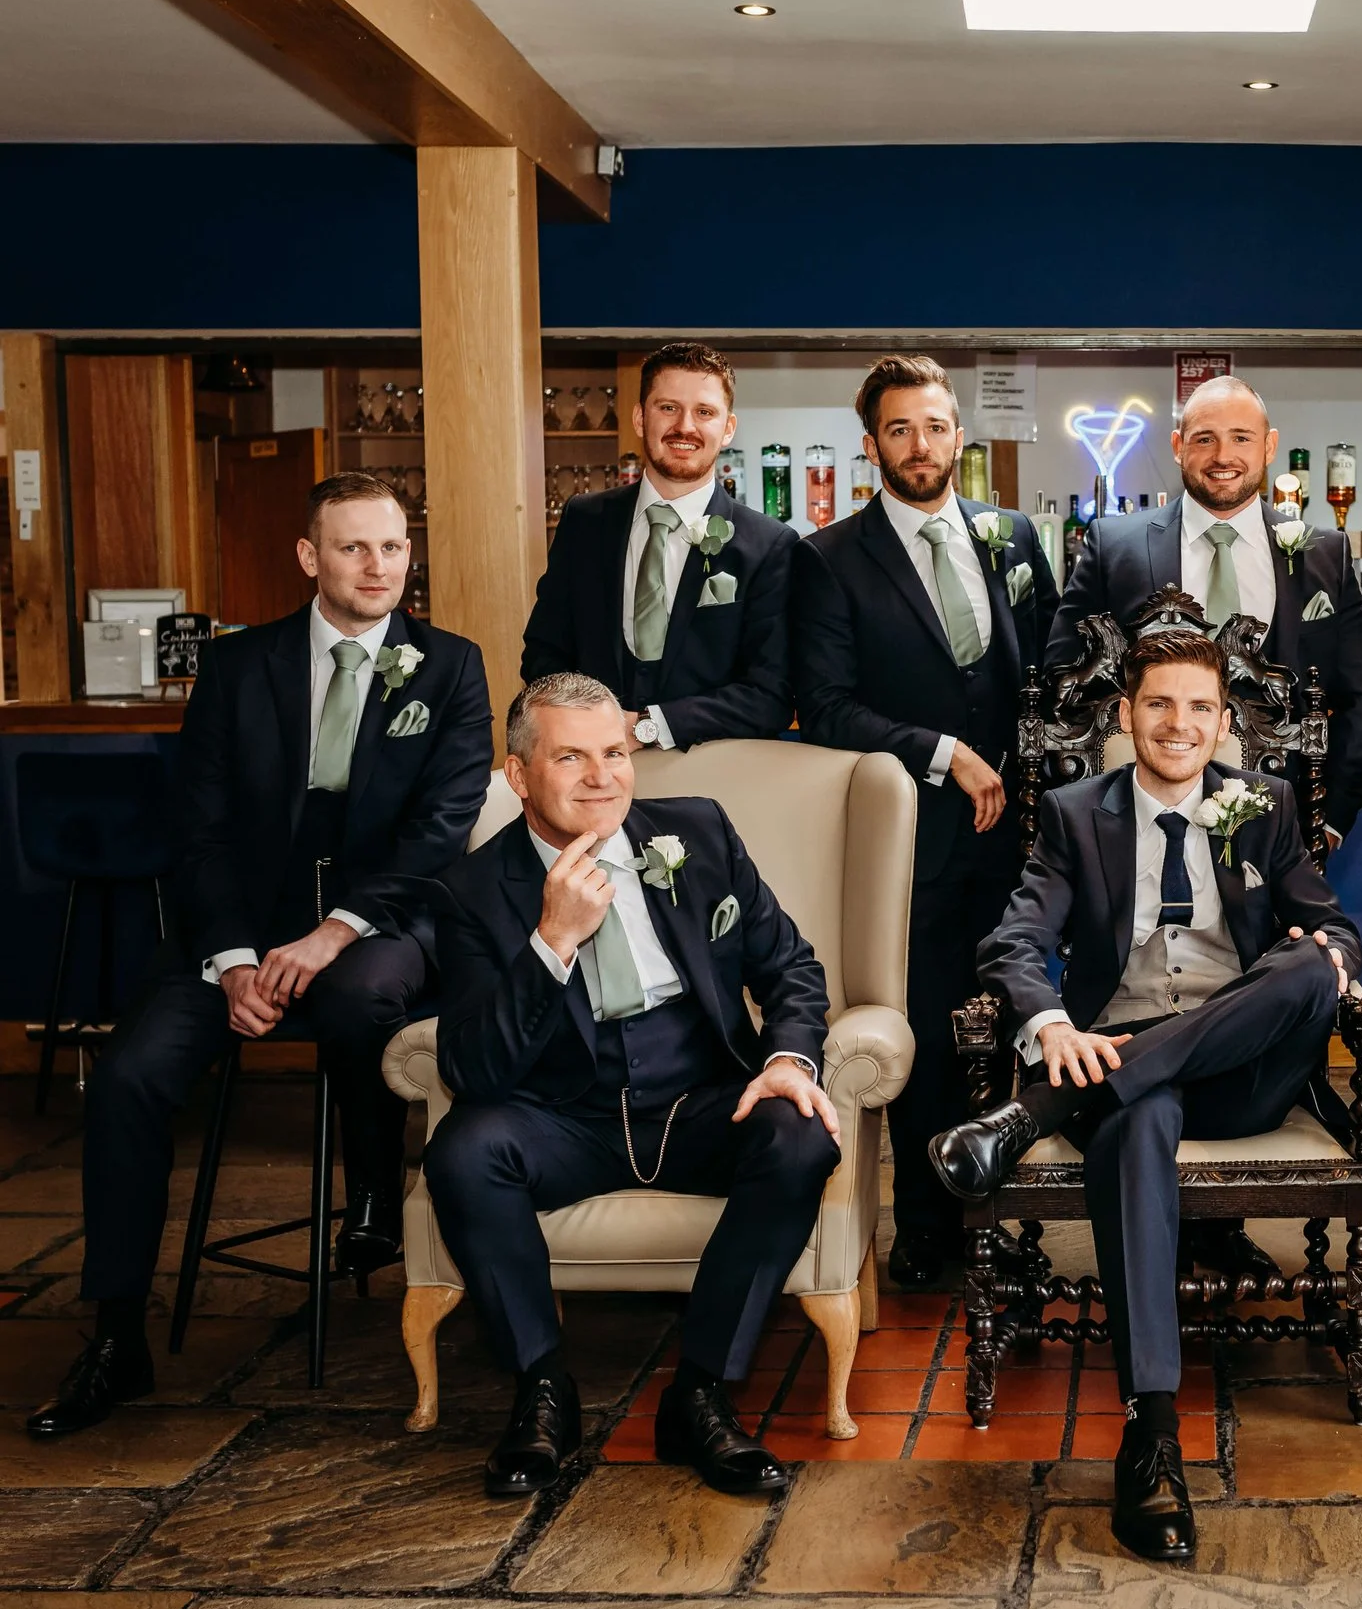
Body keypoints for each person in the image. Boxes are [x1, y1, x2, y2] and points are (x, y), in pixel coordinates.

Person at [29, 472, 491, 1439]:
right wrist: (237, 958)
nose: (378, 567)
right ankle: (116, 1333)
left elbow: (442, 828)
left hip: (379, 926)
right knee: (128, 1077)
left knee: (363, 999)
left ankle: (368, 1197)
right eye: (356, 547)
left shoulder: (449, 667)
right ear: (309, 556)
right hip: (236, 933)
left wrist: (337, 931)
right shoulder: (241, 669)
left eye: (394, 547)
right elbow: (196, 829)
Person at [932, 627, 1358, 1564]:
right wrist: (1050, 1029)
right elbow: (1013, 942)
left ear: (1223, 721)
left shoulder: (1268, 804)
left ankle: (1032, 1110)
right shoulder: (1080, 811)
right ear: (1126, 716)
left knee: (1306, 969)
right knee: (1134, 1121)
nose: (1180, 724)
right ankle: (1152, 1432)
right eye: (1159, 704)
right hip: (1114, 1069)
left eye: (1200, 707)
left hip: (1240, 1075)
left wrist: (1331, 956)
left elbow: (1335, 928)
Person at [423, 674, 840, 1498]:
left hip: (701, 1102)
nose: (601, 776)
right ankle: (543, 1390)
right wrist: (552, 941)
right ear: (519, 775)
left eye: (614, 752)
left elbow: (791, 966)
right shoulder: (472, 891)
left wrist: (788, 1060)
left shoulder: (699, 833)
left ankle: (701, 1394)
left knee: (800, 1135)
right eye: (570, 756)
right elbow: (470, 1068)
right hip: (563, 1118)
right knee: (463, 1151)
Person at [1044, 372, 1362, 1283]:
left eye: (1242, 439)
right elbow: (1060, 681)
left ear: (1269, 449)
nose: (1223, 456)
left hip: (1267, 850)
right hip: (1138, 828)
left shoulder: (1318, 549)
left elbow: (1356, 692)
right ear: (1179, 448)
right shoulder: (1114, 542)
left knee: (1288, 967)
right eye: (1203, 439)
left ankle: (1143, 1140)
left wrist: (1329, 822)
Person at [787, 354, 1058, 1289]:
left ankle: (1011, 1220)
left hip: (1024, 841)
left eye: (935, 427)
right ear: (872, 447)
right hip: (918, 842)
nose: (920, 445)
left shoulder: (1013, 537)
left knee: (1027, 1026)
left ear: (958, 436)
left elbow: (1052, 679)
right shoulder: (827, 560)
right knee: (935, 1032)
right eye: (899, 430)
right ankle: (930, 1225)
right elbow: (822, 708)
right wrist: (943, 752)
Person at [521, 340, 795, 749]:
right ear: (639, 417)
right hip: (592, 766)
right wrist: (590, 727)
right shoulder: (584, 520)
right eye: (668, 408)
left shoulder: (770, 545)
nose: (685, 426)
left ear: (728, 428)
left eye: (704, 412)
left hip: (712, 775)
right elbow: (544, 655)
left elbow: (772, 695)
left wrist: (649, 726)